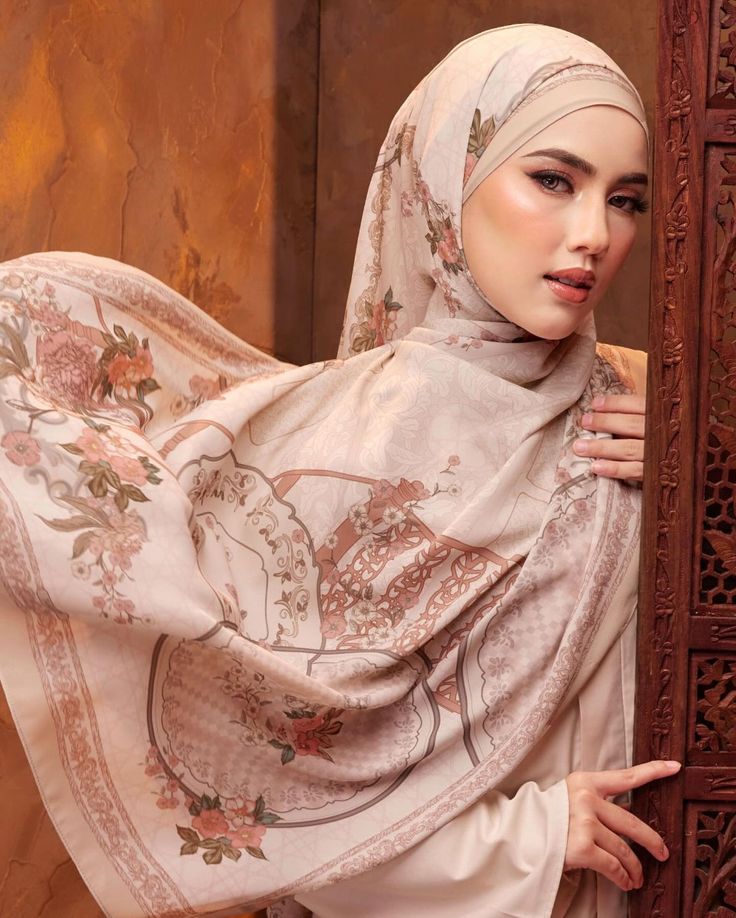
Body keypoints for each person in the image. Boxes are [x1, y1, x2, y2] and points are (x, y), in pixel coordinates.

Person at [0, 23, 671, 918]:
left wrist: (708, 470)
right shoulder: (339, 441)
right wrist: (531, 838)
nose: (594, 234)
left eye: (625, 200)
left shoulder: (655, 406)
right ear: (447, 182)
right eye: (552, 180)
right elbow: (272, 799)